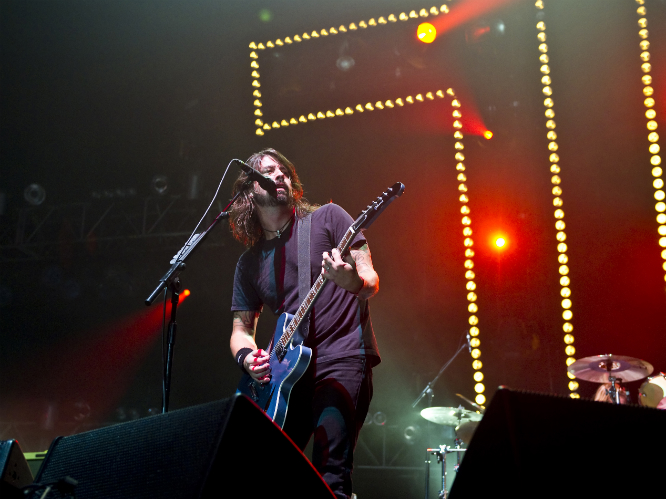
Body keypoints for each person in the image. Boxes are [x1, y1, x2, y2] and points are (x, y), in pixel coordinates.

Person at [228, 148, 380, 499]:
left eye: (283, 170)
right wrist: (247, 358)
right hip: (286, 378)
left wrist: (352, 282)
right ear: (250, 190)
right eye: (268, 171)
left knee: (331, 475)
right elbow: (240, 331)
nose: (279, 174)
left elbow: (370, 278)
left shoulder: (329, 218)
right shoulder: (249, 264)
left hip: (340, 359)